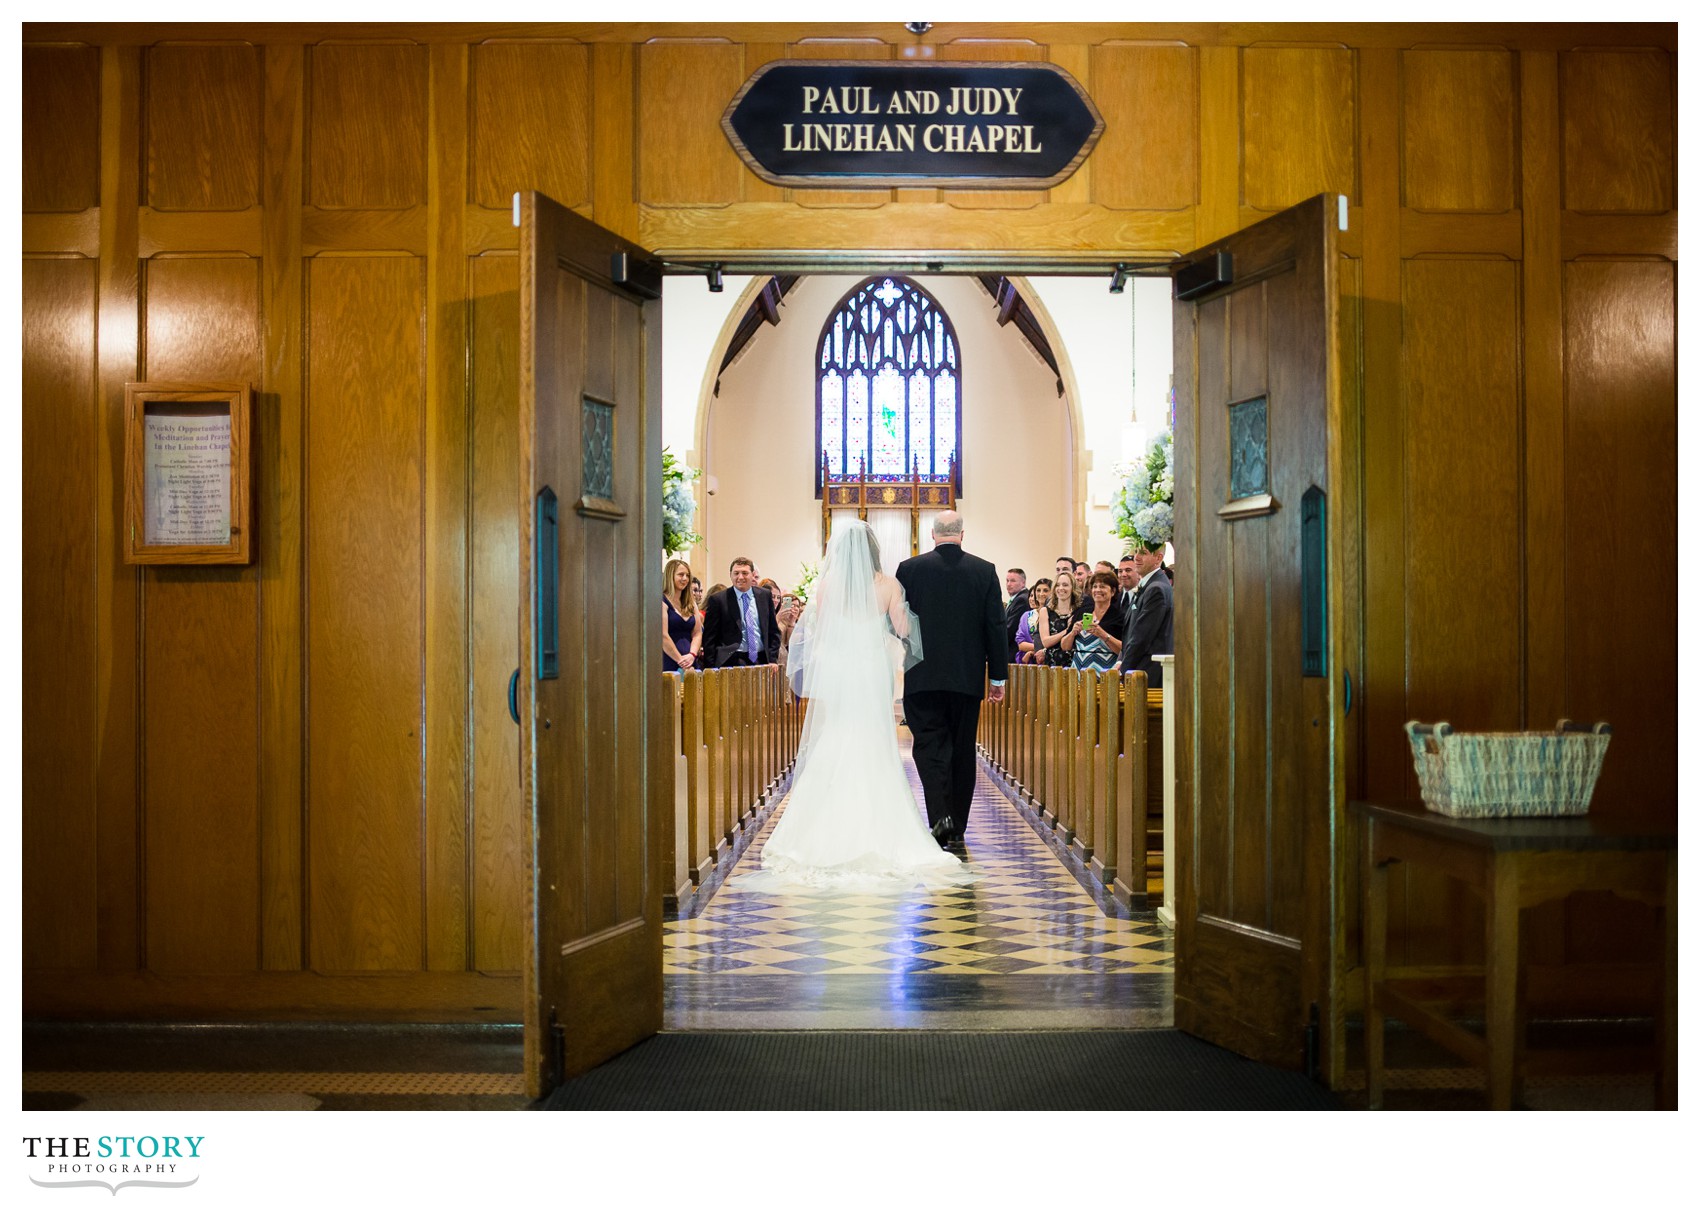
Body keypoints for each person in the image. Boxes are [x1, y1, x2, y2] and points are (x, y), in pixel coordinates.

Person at [736, 521, 973, 891]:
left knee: (838, 732)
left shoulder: (828, 586)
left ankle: (824, 830)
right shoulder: (889, 585)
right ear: (873, 550)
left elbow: (819, 629)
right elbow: (904, 630)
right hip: (873, 668)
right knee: (875, 736)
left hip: (842, 669)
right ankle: (883, 830)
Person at [896, 511, 1008, 849]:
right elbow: (996, 626)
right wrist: (998, 677)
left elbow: (900, 624)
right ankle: (957, 824)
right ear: (962, 534)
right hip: (966, 677)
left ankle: (940, 816)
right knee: (962, 748)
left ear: (933, 534)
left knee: (929, 747)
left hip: (922, 676)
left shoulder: (909, 569)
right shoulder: (983, 570)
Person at [701, 557, 780, 668]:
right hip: (731, 660)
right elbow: (709, 637)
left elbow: (773, 631)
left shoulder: (765, 596)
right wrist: (711, 667)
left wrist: (773, 659)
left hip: (761, 659)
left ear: (752, 575)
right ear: (730, 575)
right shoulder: (719, 599)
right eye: (736, 573)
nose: (740, 577)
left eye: (745, 573)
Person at [1120, 540, 1174, 686]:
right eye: (1136, 551)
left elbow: (1141, 637)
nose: (1136, 557)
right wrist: (1120, 660)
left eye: (1143, 553)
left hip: (1148, 672)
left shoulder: (1156, 589)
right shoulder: (1149, 585)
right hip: (1139, 669)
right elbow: (1130, 633)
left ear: (1158, 558)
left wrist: (1123, 670)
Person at [1063, 570, 1127, 671]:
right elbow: (1065, 646)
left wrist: (1103, 635)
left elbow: (1124, 650)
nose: (1097, 590)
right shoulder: (1082, 612)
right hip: (1078, 672)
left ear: (1113, 591)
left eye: (1102, 586)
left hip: (1105, 674)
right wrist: (1072, 633)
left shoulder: (1119, 617)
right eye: (1095, 586)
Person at [661, 557, 702, 673]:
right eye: (681, 575)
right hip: (669, 661)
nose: (685, 578)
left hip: (690, 661)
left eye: (687, 575)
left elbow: (697, 633)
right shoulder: (662, 601)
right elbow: (663, 636)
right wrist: (681, 661)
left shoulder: (691, 603)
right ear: (670, 576)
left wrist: (692, 655)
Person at [1037, 569, 1080, 666]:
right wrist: (1068, 630)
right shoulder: (1045, 611)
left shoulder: (1078, 611)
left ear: (1072, 588)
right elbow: (1046, 642)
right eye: (1058, 585)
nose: (1061, 588)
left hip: (1074, 664)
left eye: (1065, 585)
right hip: (1053, 664)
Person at [1015, 577, 1052, 664]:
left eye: (1045, 590)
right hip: (1028, 662)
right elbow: (1020, 643)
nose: (1041, 594)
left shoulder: (1055, 615)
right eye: (1038, 590)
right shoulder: (1026, 616)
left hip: (1049, 660)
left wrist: (1036, 651)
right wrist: (1036, 649)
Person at [1002, 567, 1030, 665]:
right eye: (1007, 581)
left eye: (1013, 581)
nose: (1009, 584)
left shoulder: (1021, 599)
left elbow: (1010, 628)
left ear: (1023, 583)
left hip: (1014, 652)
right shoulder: (1016, 599)